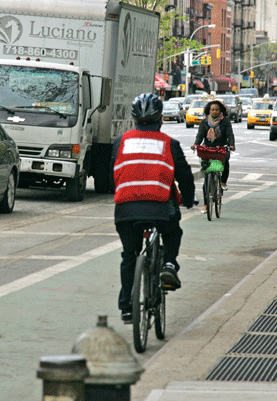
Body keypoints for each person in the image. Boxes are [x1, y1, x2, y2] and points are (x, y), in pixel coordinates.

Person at [111, 93, 195, 323]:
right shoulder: (169, 144)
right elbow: (185, 178)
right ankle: (169, 264)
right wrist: (188, 199)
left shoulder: (120, 142)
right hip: (160, 209)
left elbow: (113, 175)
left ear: (133, 119)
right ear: (161, 120)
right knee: (173, 231)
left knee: (129, 255)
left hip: (126, 209)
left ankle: (127, 307)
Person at [190, 100, 235, 213]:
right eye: (212, 110)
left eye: (217, 110)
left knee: (226, 160)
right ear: (208, 111)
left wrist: (231, 145)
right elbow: (200, 135)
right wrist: (196, 144)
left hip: (221, 149)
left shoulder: (225, 122)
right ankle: (206, 205)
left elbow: (230, 134)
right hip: (208, 150)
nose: (214, 112)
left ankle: (223, 182)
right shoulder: (204, 122)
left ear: (221, 111)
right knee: (207, 179)